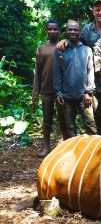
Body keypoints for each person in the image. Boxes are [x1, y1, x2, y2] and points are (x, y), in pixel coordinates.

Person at [57, 0, 101, 135]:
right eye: (98, 10)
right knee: (97, 111)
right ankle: (100, 141)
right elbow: (76, 43)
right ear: (93, 12)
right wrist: (65, 40)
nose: (100, 12)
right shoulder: (86, 30)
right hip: (93, 78)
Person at [53, 20, 97, 139]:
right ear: (66, 31)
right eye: (70, 29)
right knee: (69, 127)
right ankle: (72, 152)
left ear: (79, 31)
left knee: (90, 124)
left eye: (75, 29)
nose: (73, 32)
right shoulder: (60, 50)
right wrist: (58, 92)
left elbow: (90, 71)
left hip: (84, 96)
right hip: (66, 96)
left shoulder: (86, 50)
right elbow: (57, 72)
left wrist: (89, 92)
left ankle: (92, 151)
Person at [32, 20, 67, 157]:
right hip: (46, 90)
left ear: (59, 30)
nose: (52, 31)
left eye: (55, 29)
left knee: (62, 118)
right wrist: (35, 93)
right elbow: (38, 72)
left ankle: (63, 145)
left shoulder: (63, 46)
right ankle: (46, 146)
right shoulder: (41, 48)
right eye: (50, 29)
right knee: (47, 120)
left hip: (61, 90)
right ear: (46, 31)